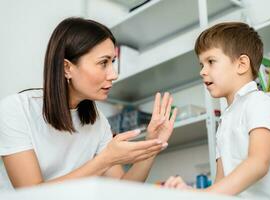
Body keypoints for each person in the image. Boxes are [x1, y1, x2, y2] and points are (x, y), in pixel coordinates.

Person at [0, 17, 177, 190]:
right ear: (67, 68)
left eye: (112, 62)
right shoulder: (16, 110)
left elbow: (122, 189)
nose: (114, 74)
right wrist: (105, 159)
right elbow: (31, 194)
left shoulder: (98, 123)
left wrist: (152, 145)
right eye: (103, 63)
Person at [163, 22, 270, 199]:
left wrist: (203, 194)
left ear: (242, 64)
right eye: (201, 65)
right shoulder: (225, 121)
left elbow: (258, 163)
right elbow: (221, 182)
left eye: (210, 61)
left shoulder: (260, 103)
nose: (202, 71)